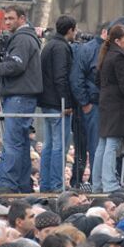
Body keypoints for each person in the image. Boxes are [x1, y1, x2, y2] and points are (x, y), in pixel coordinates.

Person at [0, 5, 43, 193]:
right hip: (21, 95)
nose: (6, 22)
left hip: (19, 95)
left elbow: (15, 67)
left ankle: (6, 183)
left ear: (22, 19)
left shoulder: (23, 39)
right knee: (21, 143)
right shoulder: (24, 37)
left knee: (12, 141)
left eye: (11, 18)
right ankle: (23, 184)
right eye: (5, 19)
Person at [92, 24, 124, 194]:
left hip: (106, 102)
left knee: (104, 143)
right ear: (117, 41)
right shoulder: (119, 57)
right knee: (112, 143)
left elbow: (98, 80)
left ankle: (98, 183)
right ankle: (109, 183)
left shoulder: (106, 54)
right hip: (117, 104)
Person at [38, 15, 77, 193]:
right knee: (59, 145)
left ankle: (46, 183)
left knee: (48, 144)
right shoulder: (61, 47)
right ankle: (56, 184)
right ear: (70, 30)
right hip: (57, 103)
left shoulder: (49, 45)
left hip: (47, 101)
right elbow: (61, 77)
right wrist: (66, 102)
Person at [69, 22, 109, 187]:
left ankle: (99, 179)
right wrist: (85, 103)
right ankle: (95, 180)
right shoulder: (88, 49)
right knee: (95, 145)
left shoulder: (108, 49)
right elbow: (76, 78)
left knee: (103, 145)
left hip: (105, 104)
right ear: (105, 32)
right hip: (93, 104)